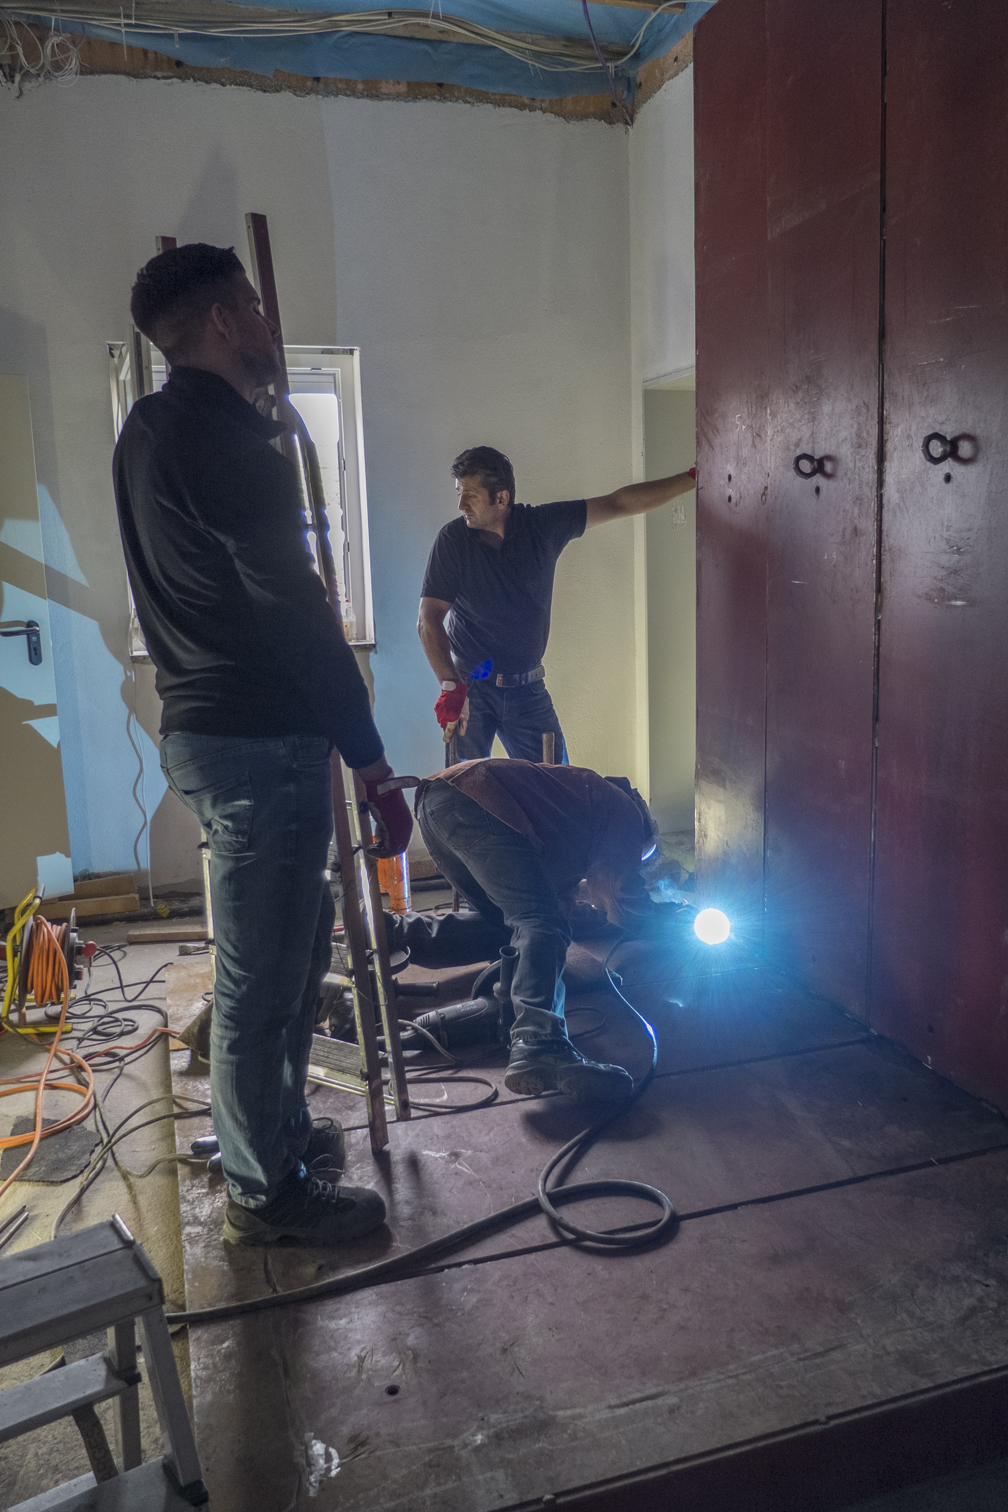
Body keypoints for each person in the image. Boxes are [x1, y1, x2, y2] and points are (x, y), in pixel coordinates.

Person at [113, 243, 412, 1248]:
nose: (268, 324)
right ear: (225, 319)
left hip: (207, 731)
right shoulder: (236, 447)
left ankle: (275, 1137)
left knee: (284, 965)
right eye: (255, 305)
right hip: (259, 741)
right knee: (260, 984)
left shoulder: (148, 430)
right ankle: (264, 1192)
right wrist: (371, 757)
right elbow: (295, 609)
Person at [388, 758, 675, 1099]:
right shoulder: (624, 810)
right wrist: (670, 923)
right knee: (538, 921)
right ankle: (539, 1043)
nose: (632, 860)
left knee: (507, 925)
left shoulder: (573, 821)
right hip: (476, 799)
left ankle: (392, 934)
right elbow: (621, 898)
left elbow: (572, 910)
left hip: (437, 805)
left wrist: (603, 922)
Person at [418, 446, 696, 761]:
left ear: (502, 498)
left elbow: (617, 503)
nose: (461, 505)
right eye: (459, 493)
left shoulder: (542, 526)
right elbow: (428, 619)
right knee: (464, 784)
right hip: (471, 686)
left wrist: (692, 478)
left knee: (555, 783)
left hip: (526, 689)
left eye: (470, 496)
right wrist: (451, 687)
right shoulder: (452, 540)